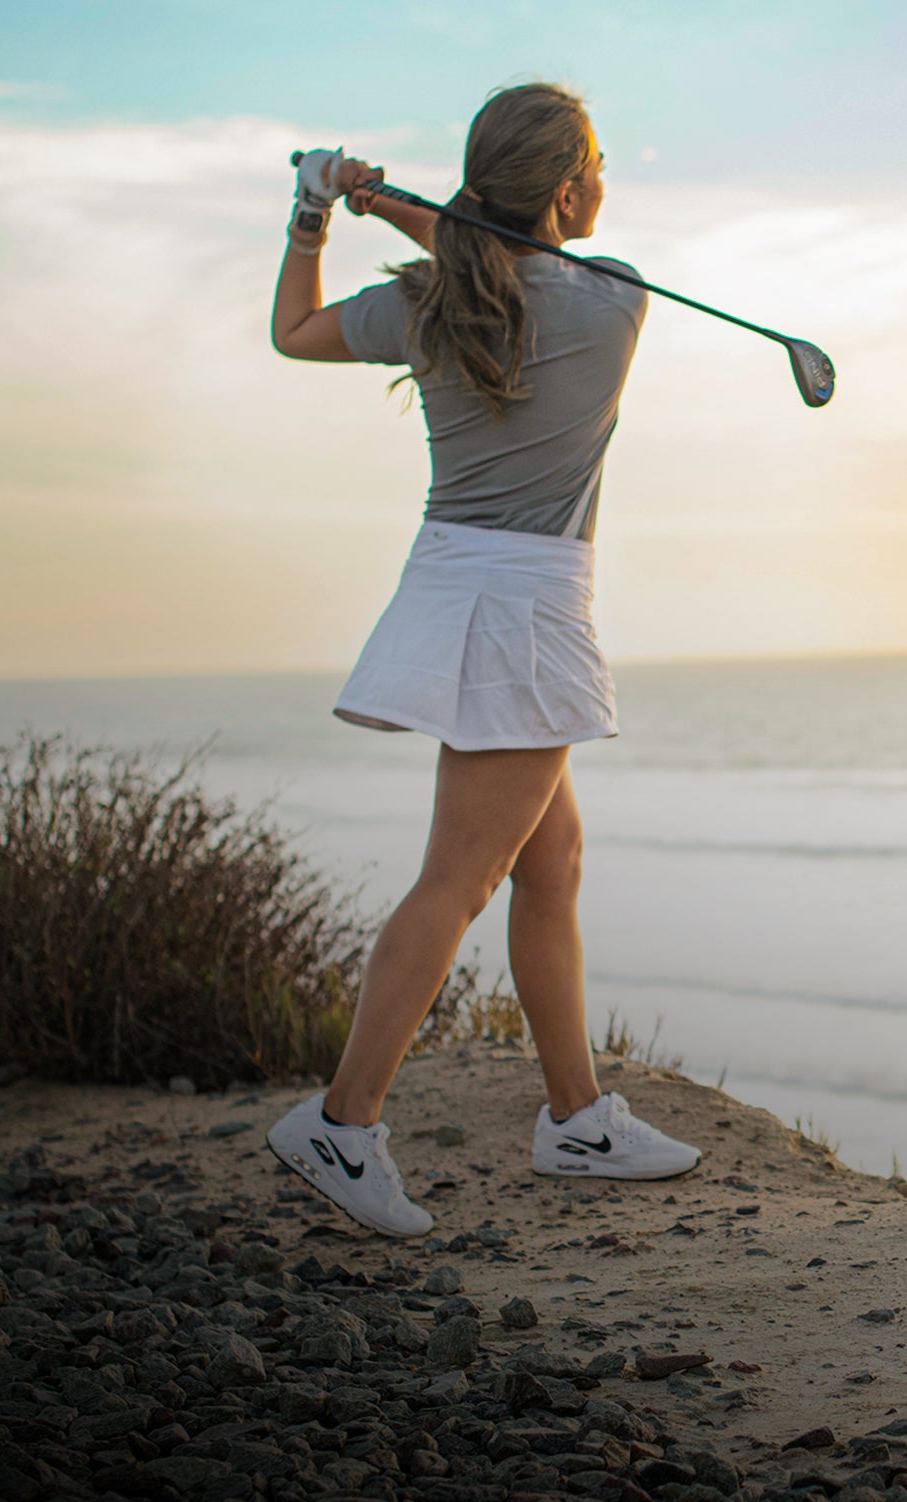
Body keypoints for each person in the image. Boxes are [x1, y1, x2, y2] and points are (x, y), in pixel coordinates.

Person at [261, 83, 700, 1238]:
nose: (606, 182)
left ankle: (576, 1117)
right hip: (525, 608)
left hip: (454, 583)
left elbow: (294, 333)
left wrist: (322, 210)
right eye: (595, 166)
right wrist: (393, 205)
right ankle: (341, 1124)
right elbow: (499, 258)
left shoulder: (426, 301)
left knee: (547, 860)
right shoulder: (613, 302)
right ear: (564, 194)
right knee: (458, 877)